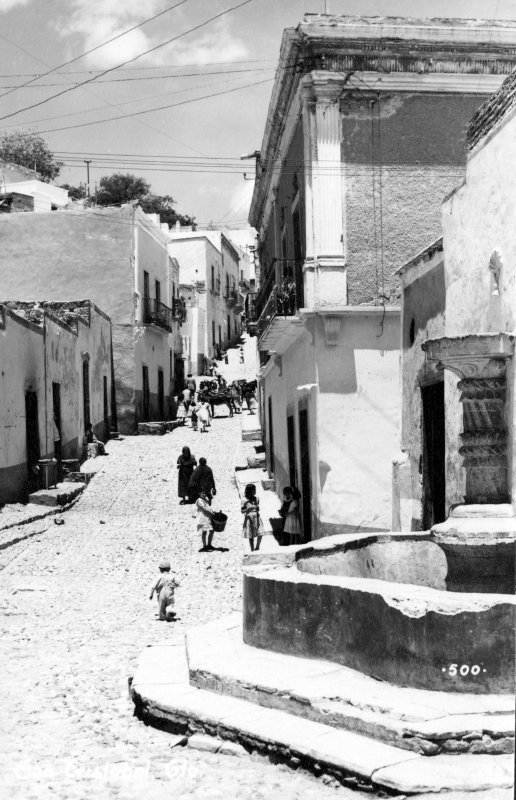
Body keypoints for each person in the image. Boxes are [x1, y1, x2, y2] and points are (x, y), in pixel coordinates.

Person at [242, 483, 264, 552]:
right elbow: (242, 511)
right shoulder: (244, 500)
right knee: (251, 534)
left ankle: (257, 547)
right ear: (249, 491)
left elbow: (258, 507)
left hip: (257, 517)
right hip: (249, 518)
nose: (255, 491)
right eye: (253, 490)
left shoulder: (256, 498)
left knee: (260, 532)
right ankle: (252, 549)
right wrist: (248, 509)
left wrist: (257, 508)